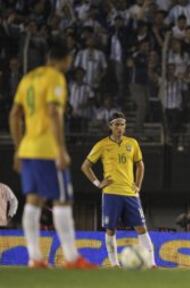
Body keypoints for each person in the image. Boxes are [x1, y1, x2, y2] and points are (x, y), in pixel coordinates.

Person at [8, 39, 95, 268]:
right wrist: (61, 150)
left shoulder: (28, 78)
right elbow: (54, 113)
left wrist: (18, 149)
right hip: (47, 151)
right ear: (64, 59)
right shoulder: (55, 77)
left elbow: (15, 114)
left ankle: (35, 258)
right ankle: (71, 258)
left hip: (28, 149)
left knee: (33, 202)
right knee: (63, 201)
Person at [81, 112, 156, 268]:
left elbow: (140, 165)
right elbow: (85, 166)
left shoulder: (132, 143)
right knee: (110, 229)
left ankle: (152, 263)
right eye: (116, 124)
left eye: (122, 124)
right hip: (111, 193)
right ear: (110, 126)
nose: (120, 127)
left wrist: (138, 185)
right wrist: (98, 183)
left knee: (142, 228)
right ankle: (114, 264)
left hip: (130, 194)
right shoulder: (102, 145)